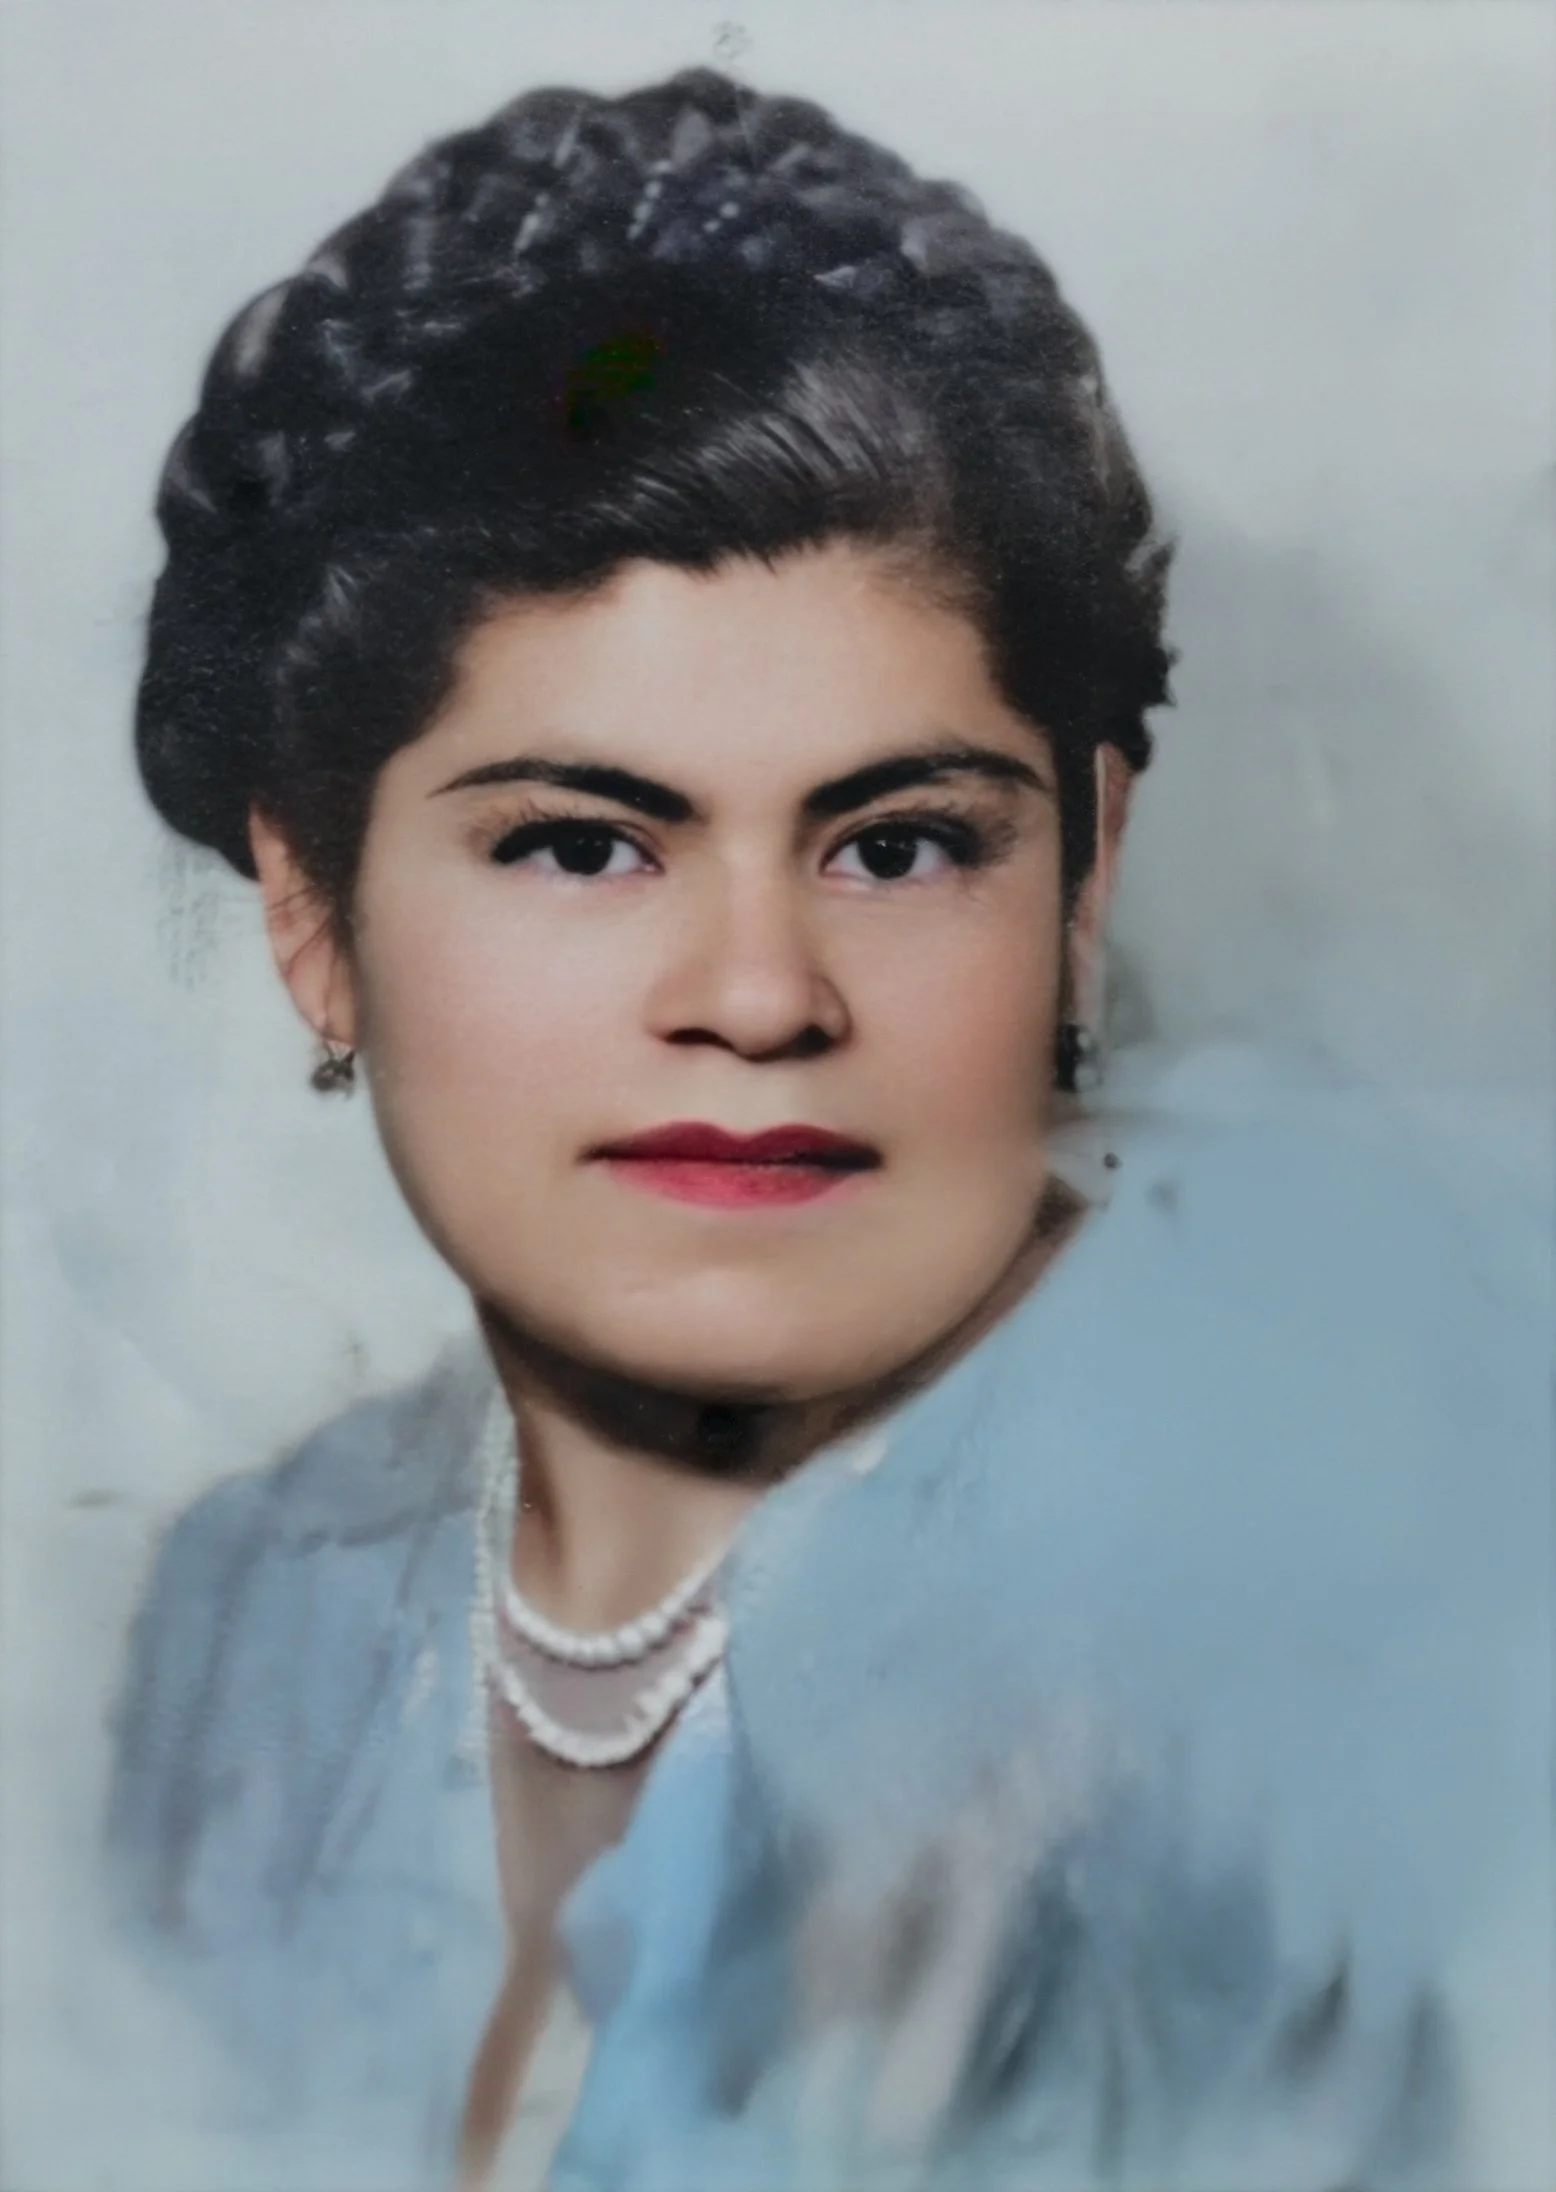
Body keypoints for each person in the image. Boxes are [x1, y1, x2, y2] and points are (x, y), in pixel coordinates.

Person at [108, 65, 1549, 2192]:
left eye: (897, 844)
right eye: (585, 845)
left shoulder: (1319, 1704)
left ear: (1081, 880)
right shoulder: (246, 1618)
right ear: (313, 917)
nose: (764, 992)